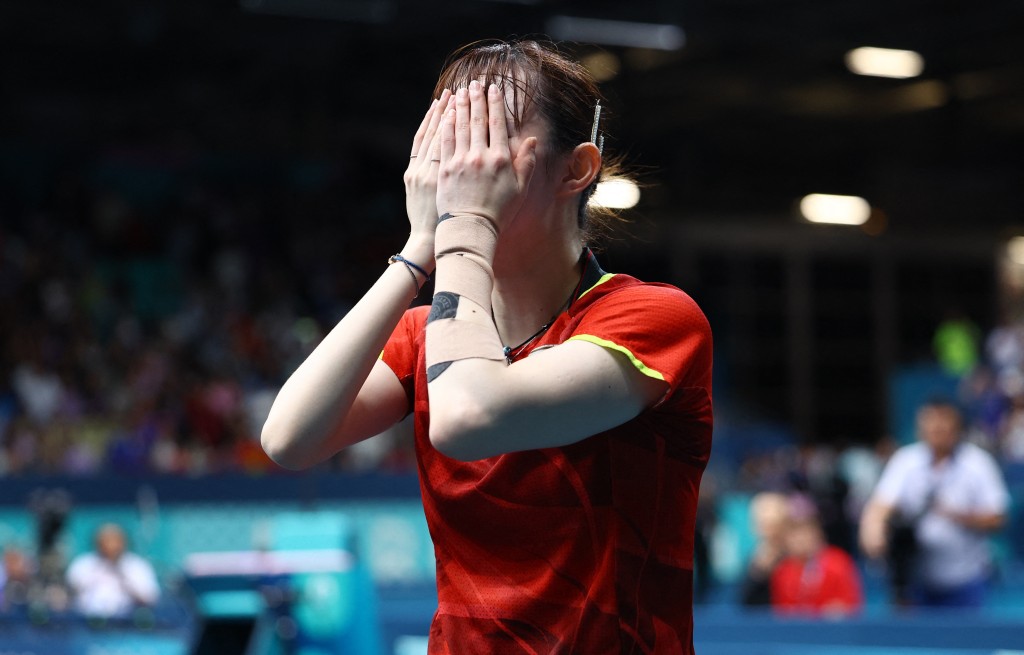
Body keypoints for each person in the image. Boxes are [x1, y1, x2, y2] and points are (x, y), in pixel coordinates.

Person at [262, 39, 713, 654]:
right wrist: (419, 250)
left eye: (486, 138)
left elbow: (468, 414)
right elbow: (289, 439)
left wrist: (467, 227)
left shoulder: (652, 320)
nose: (459, 168)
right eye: (448, 138)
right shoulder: (422, 333)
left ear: (575, 169)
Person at [859, 399, 1009, 608]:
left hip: (966, 579)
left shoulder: (978, 463)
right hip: (917, 581)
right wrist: (873, 530)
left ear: (956, 428)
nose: (936, 430)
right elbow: (880, 505)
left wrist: (956, 516)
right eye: (930, 424)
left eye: (942, 424)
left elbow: (997, 518)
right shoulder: (906, 460)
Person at [770, 495, 863, 617]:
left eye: (806, 531)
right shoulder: (782, 571)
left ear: (817, 533)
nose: (800, 538)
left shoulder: (838, 562)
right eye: (794, 533)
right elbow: (781, 614)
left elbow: (851, 605)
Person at [66, 523, 160, 618]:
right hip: (85, 621)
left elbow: (150, 598)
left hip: (127, 623)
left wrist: (122, 574)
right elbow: (69, 595)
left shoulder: (137, 566)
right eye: (106, 541)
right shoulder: (83, 564)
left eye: (115, 541)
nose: (110, 546)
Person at [739, 492, 789, 607]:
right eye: (760, 519)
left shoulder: (795, 556)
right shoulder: (753, 558)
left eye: (771, 521)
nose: (764, 523)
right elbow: (746, 600)